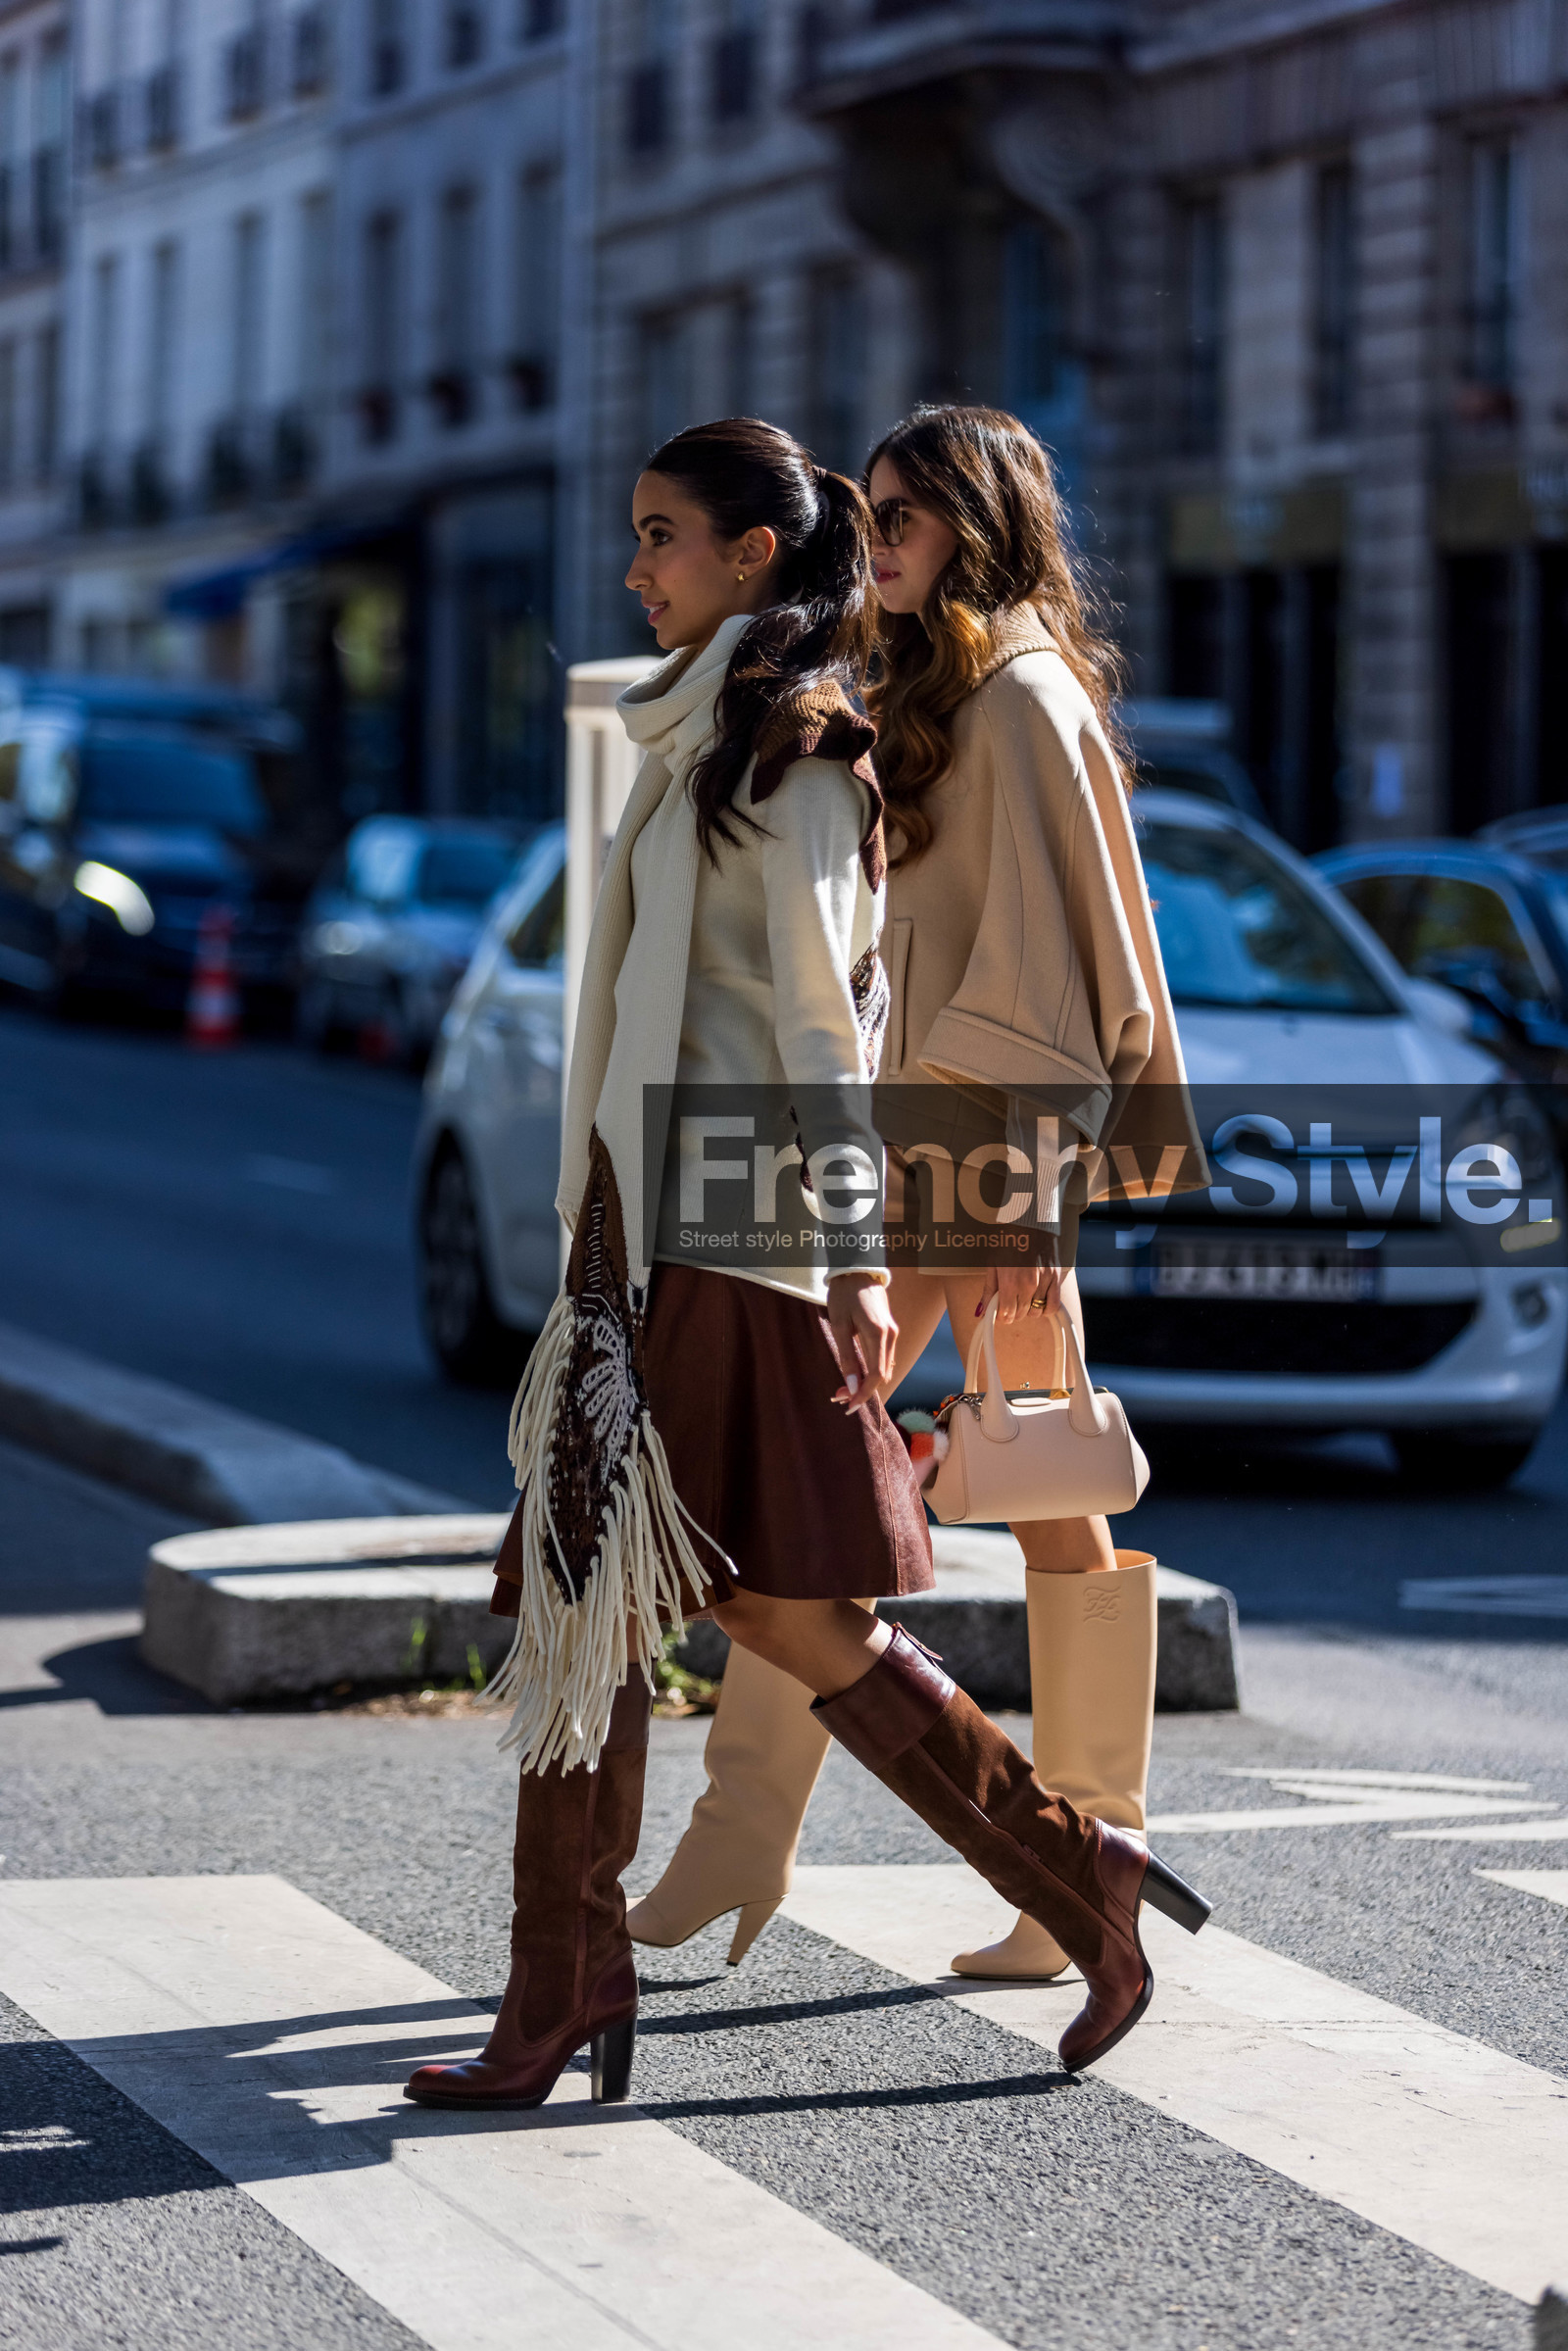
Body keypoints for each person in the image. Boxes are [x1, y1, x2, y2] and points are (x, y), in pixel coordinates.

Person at [404, 416, 1209, 2117]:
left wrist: (911, 1229)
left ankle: (1059, 1872)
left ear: (750, 553)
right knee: (632, 1599)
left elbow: (824, 1023)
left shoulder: (807, 746)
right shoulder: (712, 725)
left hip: (761, 1225)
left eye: (662, 535)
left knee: (738, 1597)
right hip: (654, 1225)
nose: (633, 567)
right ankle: (599, 1968)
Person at [626, 404, 1204, 1983]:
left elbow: (1088, 965)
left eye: (906, 514)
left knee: (835, 1480)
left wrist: (1027, 1192)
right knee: (1050, 1499)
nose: (873, 537)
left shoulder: (1024, 698)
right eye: (867, 510)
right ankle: (1081, 1852)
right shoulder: (921, 678)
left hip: (974, 1142)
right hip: (912, 1131)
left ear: (983, 521)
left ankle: (776, 1838)